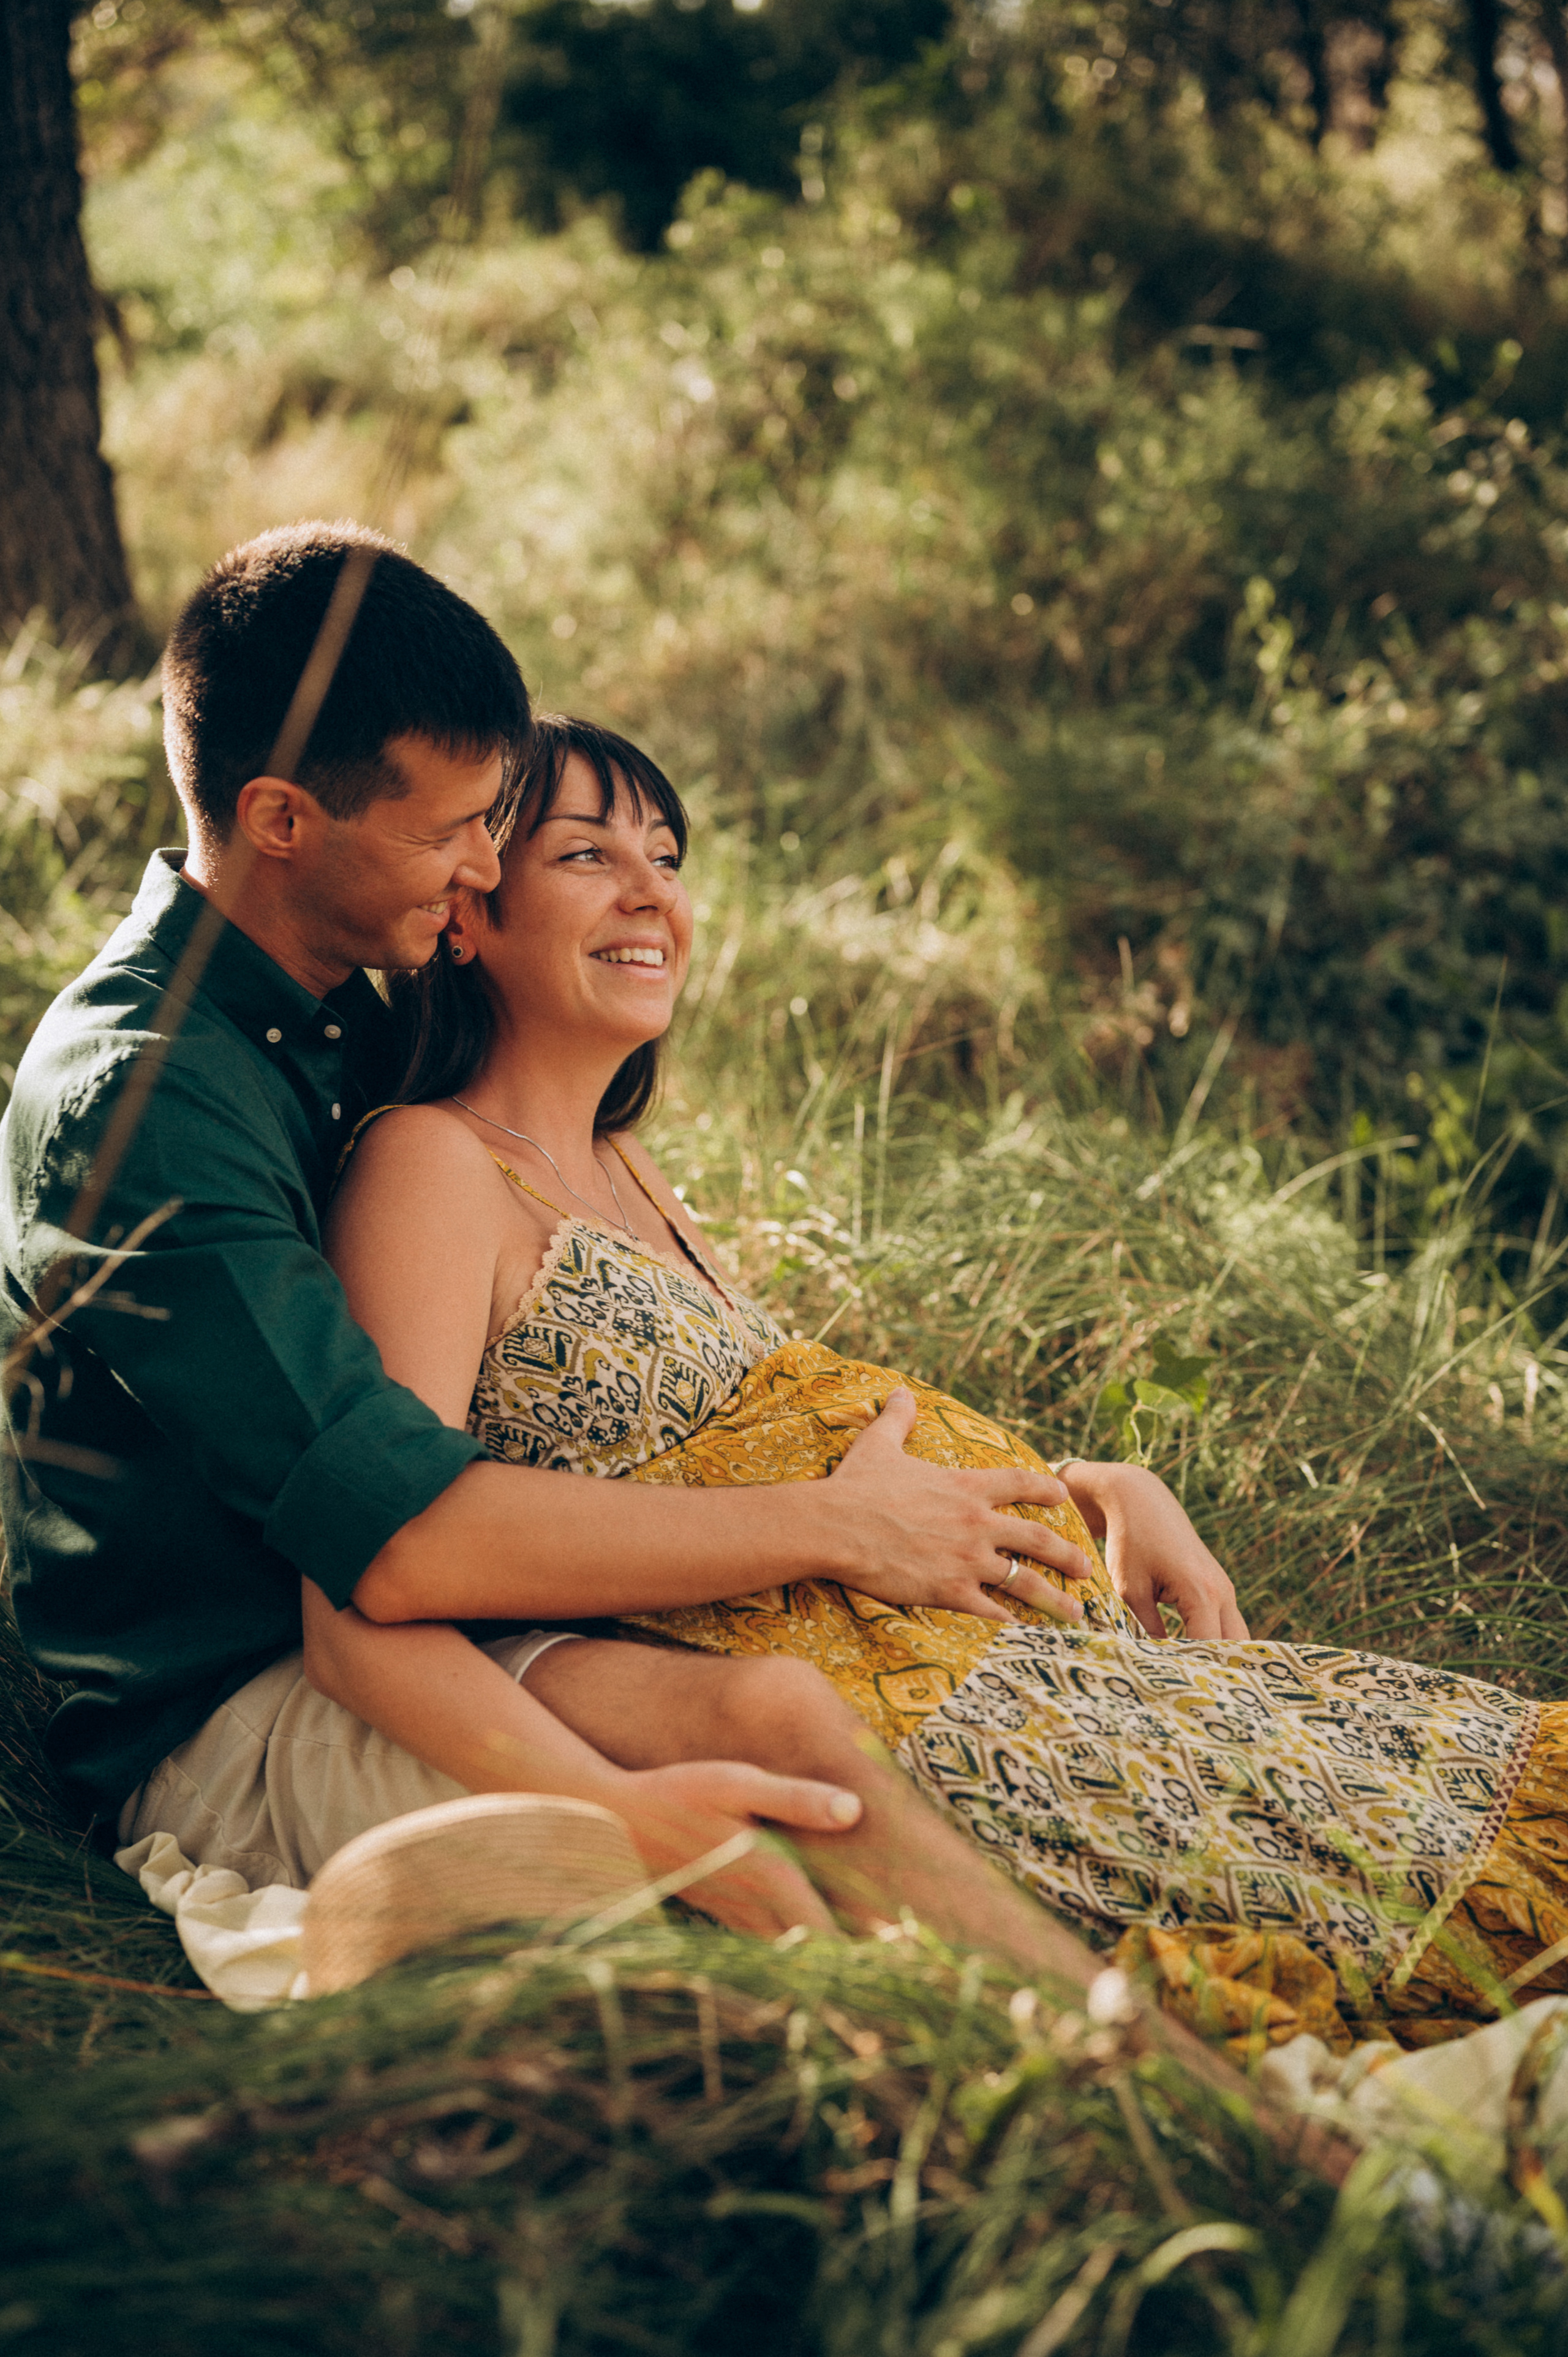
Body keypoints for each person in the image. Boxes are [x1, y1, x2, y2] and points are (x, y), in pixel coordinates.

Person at [0, 520, 1184, 1984]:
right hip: (244, 1703)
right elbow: (399, 1536)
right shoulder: (144, 1094)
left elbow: (671, 1414)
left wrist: (1071, 1495)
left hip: (458, 1631)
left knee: (825, 1706)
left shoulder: (346, 1005)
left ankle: (1189, 2003)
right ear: (282, 818)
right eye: (452, 833)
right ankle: (1163, 2090)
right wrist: (648, 1767)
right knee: (774, 1762)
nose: (486, 868)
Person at [315, 711, 1568, 2054]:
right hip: (924, 1724)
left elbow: (777, 1456)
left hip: (1021, 1660)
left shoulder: (630, 1174)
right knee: (1413, 1892)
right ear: (468, 913)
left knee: (1457, 1793)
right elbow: (393, 1551)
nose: (649, 893)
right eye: (585, 855)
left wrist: (1096, 1484)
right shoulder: (433, 1167)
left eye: (666, 855)